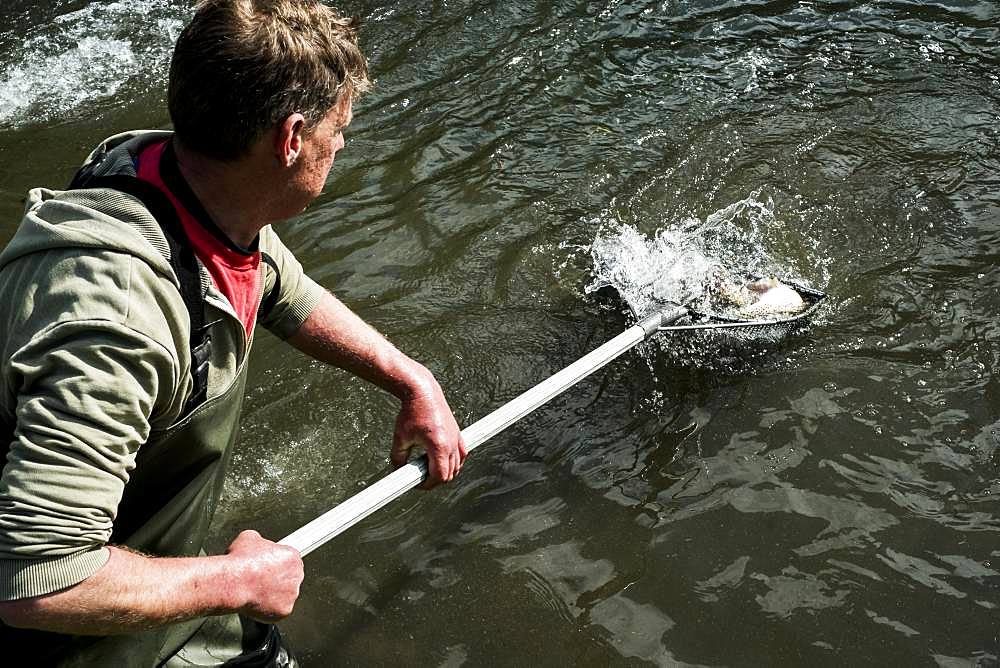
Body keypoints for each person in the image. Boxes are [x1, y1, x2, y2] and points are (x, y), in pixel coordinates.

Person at [0, 0, 467, 664]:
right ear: (292, 137)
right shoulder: (117, 324)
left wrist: (409, 379)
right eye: (341, 129)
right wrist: (237, 580)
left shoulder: (182, 179)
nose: (343, 146)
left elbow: (279, 286)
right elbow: (36, 581)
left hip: (165, 614)